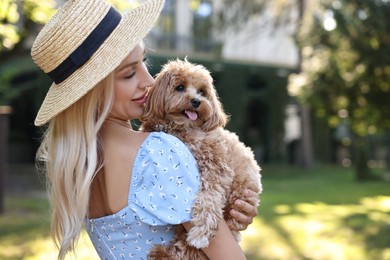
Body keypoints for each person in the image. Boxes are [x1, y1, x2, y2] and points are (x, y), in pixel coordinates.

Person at [31, 0, 259, 259]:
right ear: (90, 92)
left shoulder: (77, 166)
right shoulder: (156, 152)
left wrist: (229, 207)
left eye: (144, 62)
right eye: (129, 74)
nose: (149, 80)